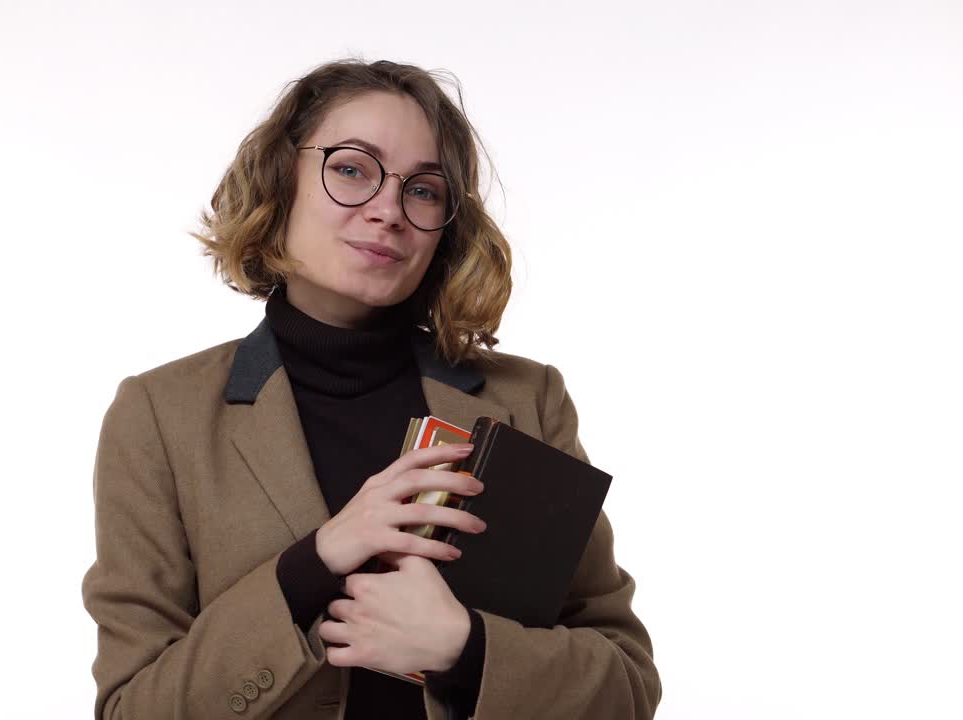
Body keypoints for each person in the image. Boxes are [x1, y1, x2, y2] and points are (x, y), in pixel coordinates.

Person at [81, 58, 661, 720]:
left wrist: (467, 652)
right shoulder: (161, 416)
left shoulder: (527, 401)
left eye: (424, 190)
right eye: (352, 168)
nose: (388, 209)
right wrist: (314, 562)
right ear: (282, 182)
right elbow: (133, 711)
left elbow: (626, 687)